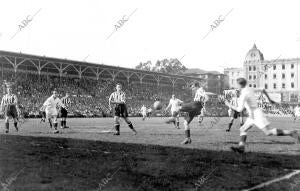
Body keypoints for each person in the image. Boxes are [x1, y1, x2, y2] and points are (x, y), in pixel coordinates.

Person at [225, 78, 300, 153]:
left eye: (236, 84)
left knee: (268, 132)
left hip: (256, 115)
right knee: (242, 129)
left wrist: (229, 105)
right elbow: (262, 89)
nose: (235, 86)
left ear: (239, 85)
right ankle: (241, 148)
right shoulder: (249, 89)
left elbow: (239, 109)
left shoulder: (244, 94)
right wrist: (269, 99)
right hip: (252, 115)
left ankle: (292, 132)